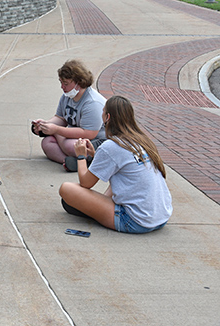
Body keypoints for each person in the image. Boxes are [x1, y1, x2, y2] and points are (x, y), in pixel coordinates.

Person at [59, 95, 172, 233]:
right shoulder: (142, 141)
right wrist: (95, 155)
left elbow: (85, 183)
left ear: (108, 117)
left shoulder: (112, 146)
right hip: (160, 217)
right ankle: (97, 208)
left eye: (103, 111)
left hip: (135, 221)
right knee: (121, 177)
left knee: (66, 189)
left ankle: (95, 211)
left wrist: (81, 156)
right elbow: (122, 165)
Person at [32, 59, 106, 166]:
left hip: (97, 141)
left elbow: (89, 133)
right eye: (61, 82)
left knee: (71, 146)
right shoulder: (67, 96)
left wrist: (56, 130)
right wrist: (45, 124)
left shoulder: (93, 103)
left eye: (65, 83)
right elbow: (61, 118)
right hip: (76, 137)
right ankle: (72, 162)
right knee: (46, 143)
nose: (62, 87)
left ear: (78, 82)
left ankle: (81, 160)